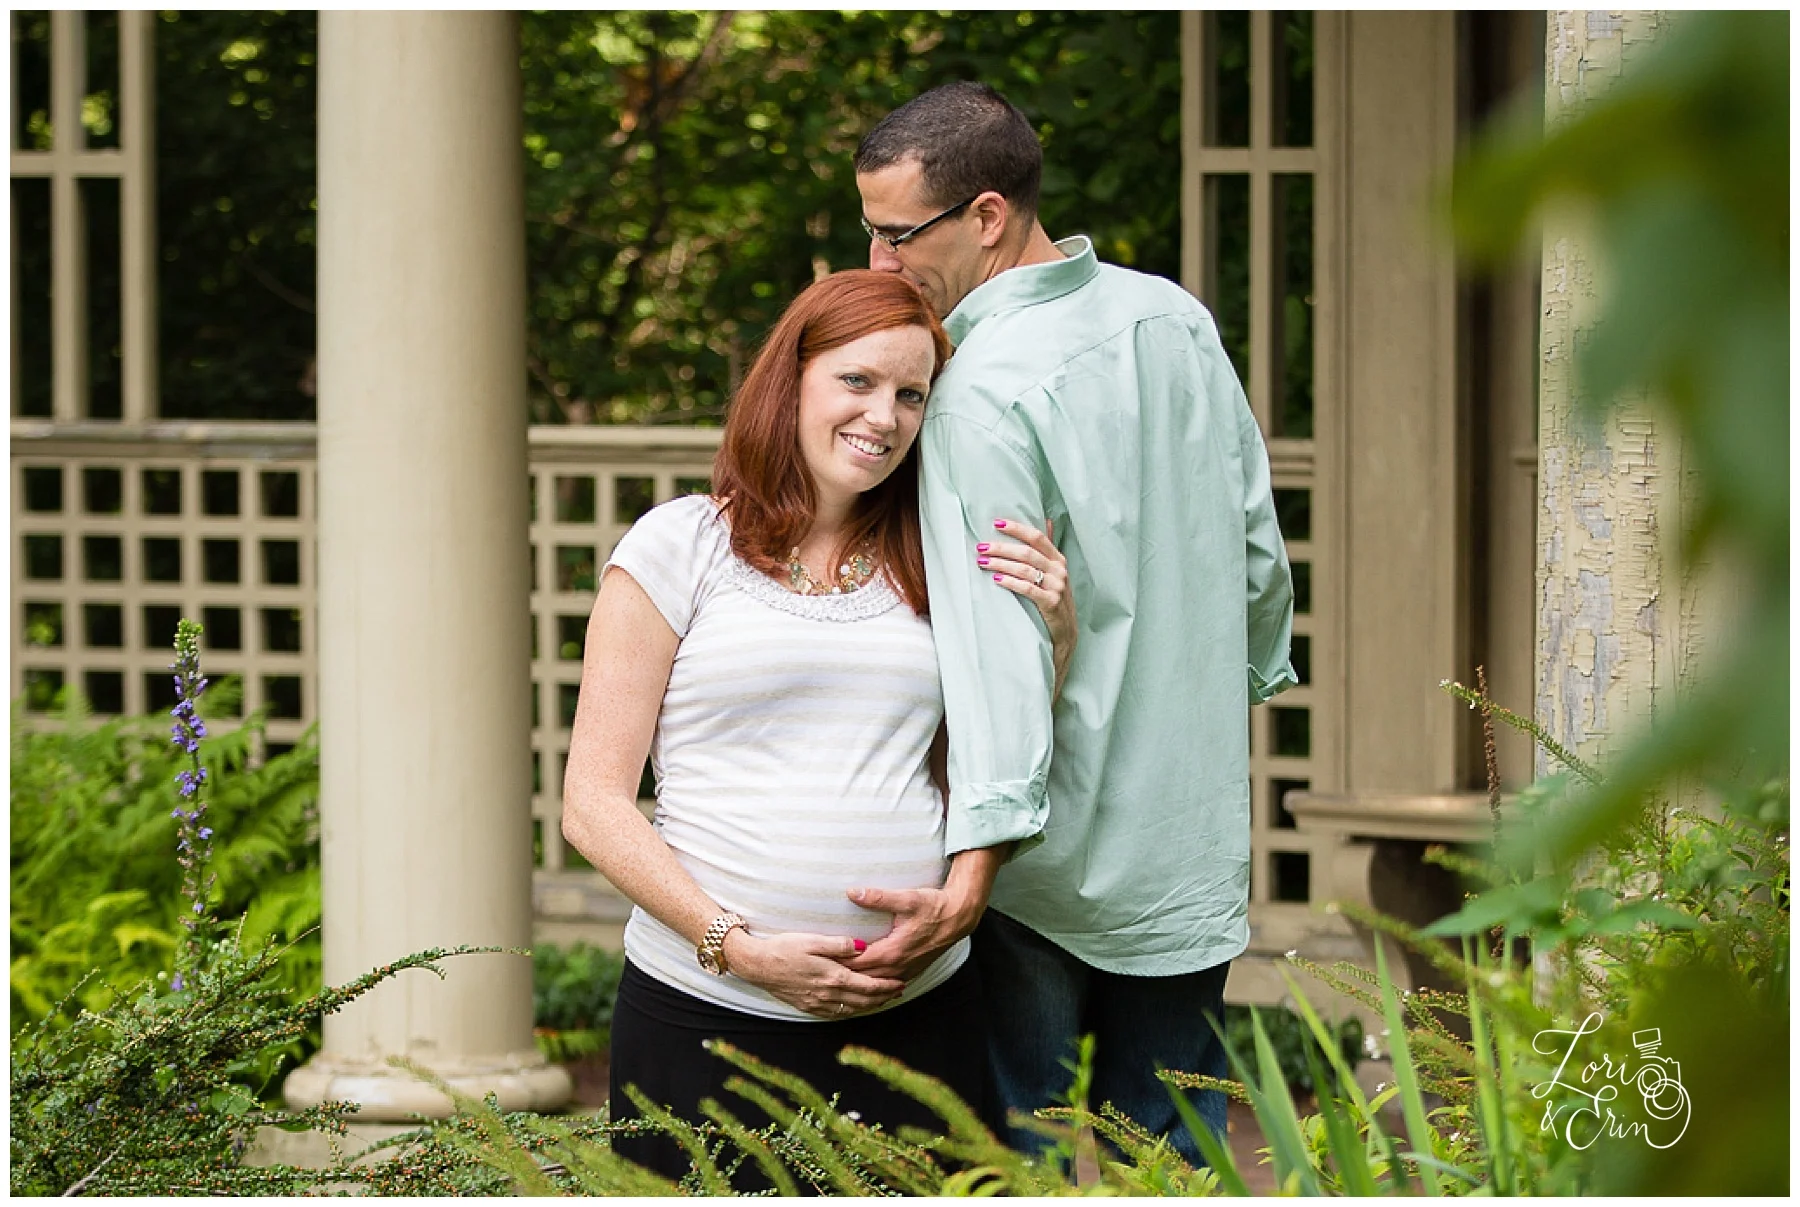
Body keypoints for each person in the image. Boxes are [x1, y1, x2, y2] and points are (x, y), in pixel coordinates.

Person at [842, 82, 1297, 1165]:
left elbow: (1000, 643)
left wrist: (977, 854)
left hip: (1039, 855)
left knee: (1018, 1160)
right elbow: (1257, 552)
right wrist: (1238, 677)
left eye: (897, 232)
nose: (876, 261)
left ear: (987, 216)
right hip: (1186, 842)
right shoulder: (1173, 318)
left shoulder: (976, 389)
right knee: (1173, 1160)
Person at [559, 269, 1076, 1185]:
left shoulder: (941, 563)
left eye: (912, 394)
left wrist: (1054, 637)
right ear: (790, 379)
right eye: (858, 380)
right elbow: (593, 806)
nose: (885, 416)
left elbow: (993, 765)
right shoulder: (678, 545)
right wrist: (741, 949)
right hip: (702, 1011)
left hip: (918, 1016)